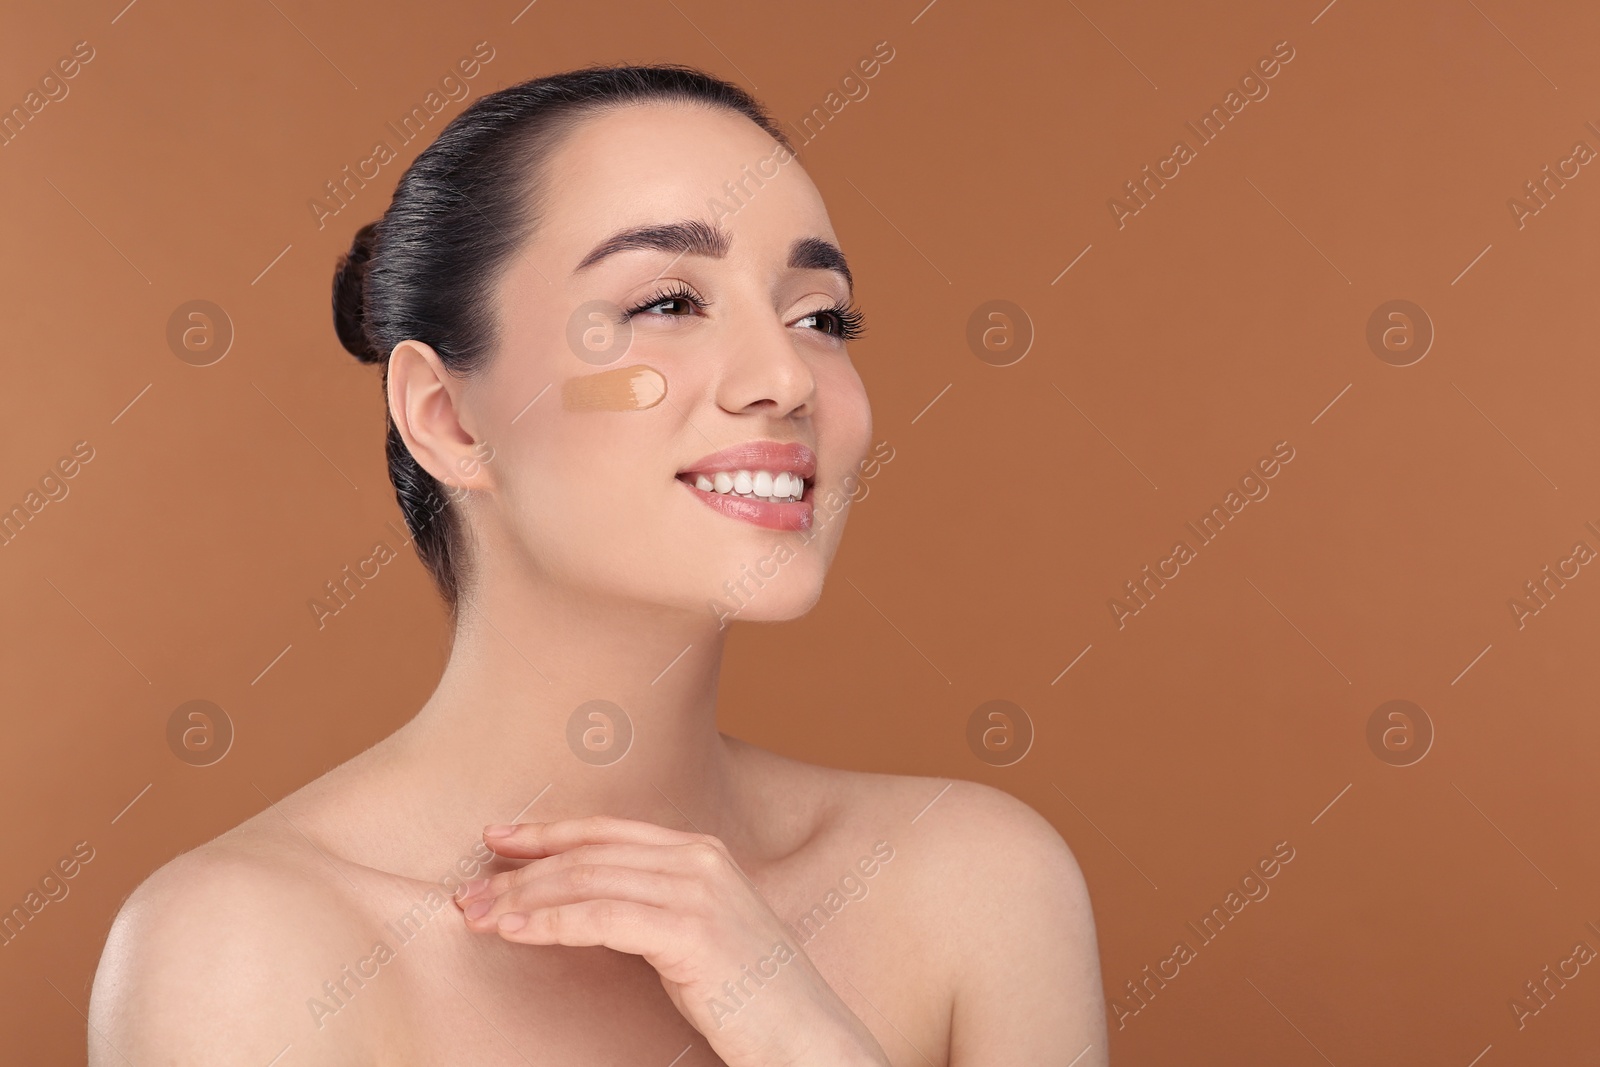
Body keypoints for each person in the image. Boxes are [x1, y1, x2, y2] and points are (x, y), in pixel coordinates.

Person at [88, 64, 1108, 1065]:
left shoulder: (976, 884)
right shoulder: (241, 951)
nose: (784, 376)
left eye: (819, 317)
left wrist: (802, 1031)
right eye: (667, 302)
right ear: (448, 419)